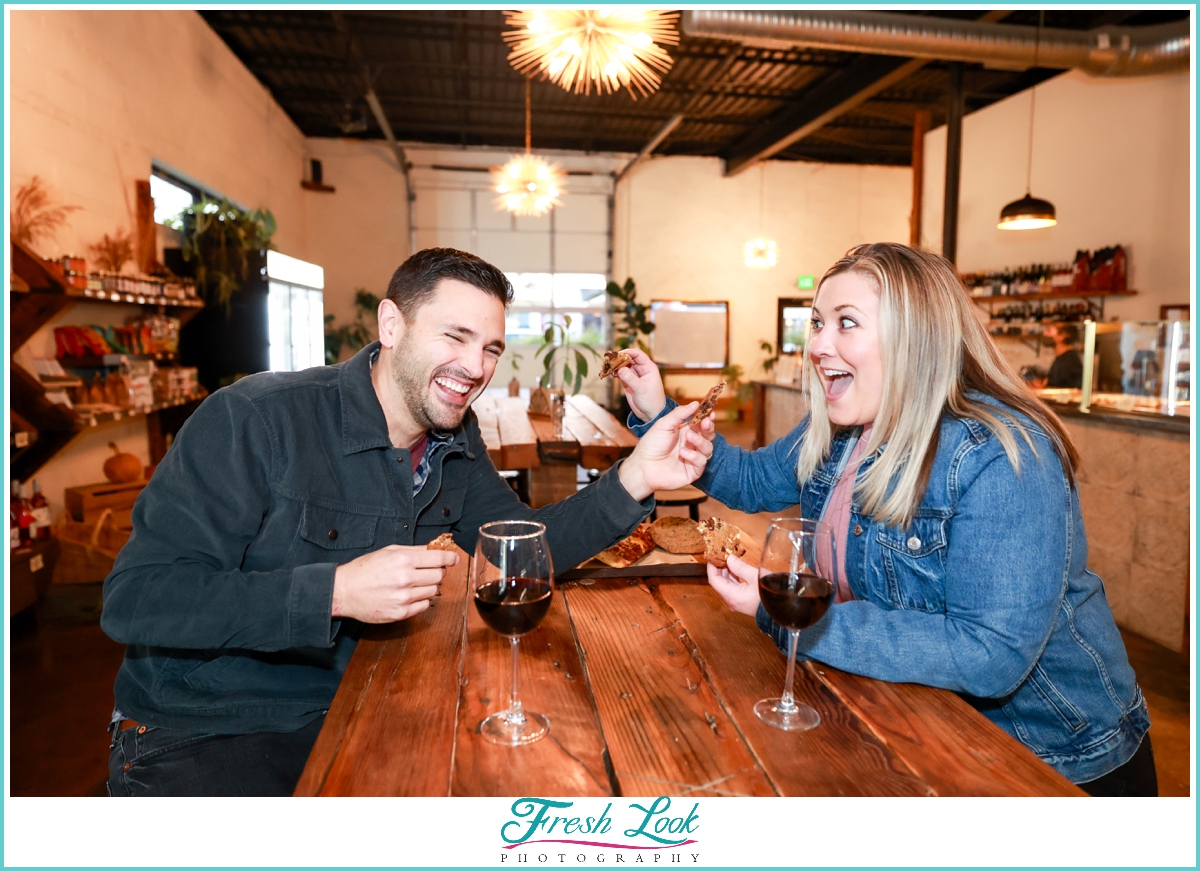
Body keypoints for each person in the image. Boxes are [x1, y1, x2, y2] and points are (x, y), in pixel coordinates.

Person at [102, 247, 713, 796]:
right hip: (206, 729)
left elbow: (520, 545)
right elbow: (137, 599)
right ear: (392, 325)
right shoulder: (253, 420)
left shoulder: (455, 439)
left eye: (491, 349)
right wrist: (336, 592)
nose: (475, 367)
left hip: (362, 706)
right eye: (456, 336)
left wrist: (635, 476)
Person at [616, 242, 1155, 796]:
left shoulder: (1001, 455)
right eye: (818, 323)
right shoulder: (840, 427)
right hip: (923, 724)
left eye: (846, 324)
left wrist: (792, 618)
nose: (818, 345)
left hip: (1050, 762)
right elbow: (752, 479)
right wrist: (655, 412)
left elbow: (989, 654)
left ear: (915, 337)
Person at [1032, 322, 1084, 389]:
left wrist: (1043, 386)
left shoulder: (1069, 360)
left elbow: (1059, 387)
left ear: (1062, 336)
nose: (1044, 333)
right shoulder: (1061, 358)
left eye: (1049, 331)